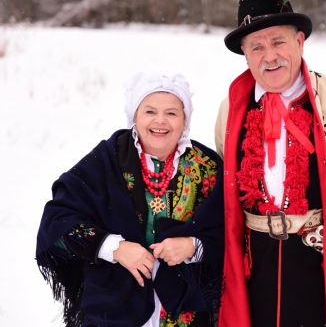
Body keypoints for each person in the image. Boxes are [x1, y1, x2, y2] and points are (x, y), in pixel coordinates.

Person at [214, 0, 326, 327]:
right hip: (256, 270)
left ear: (299, 41)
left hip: (322, 264)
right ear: (245, 53)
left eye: (278, 41)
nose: (269, 56)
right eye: (257, 46)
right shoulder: (231, 109)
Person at [36, 72, 224, 327]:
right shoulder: (107, 159)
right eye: (149, 111)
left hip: (187, 311)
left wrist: (193, 246)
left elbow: (230, 234)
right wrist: (113, 248)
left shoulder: (208, 167)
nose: (160, 121)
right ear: (134, 116)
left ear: (185, 120)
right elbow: (58, 221)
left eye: (171, 113)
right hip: (113, 307)